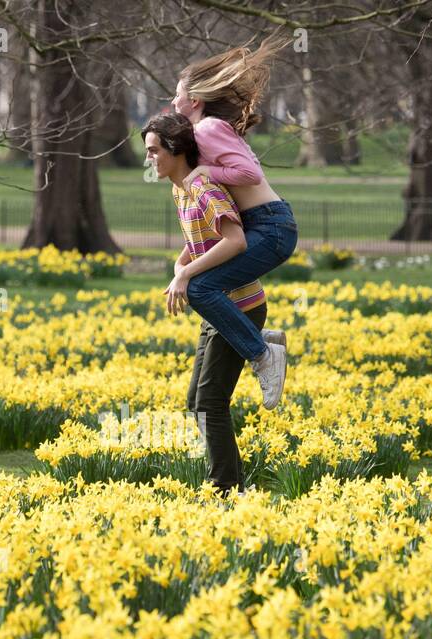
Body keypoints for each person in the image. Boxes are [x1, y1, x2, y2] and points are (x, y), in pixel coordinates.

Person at [143, 112, 284, 497]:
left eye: (155, 151)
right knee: (197, 401)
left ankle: (225, 489)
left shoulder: (203, 186)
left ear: (176, 149)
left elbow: (235, 240)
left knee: (209, 402)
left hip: (238, 305)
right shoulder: (179, 189)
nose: (150, 159)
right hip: (217, 308)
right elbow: (200, 242)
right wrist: (181, 265)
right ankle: (227, 482)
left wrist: (186, 277)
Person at [161, 37, 299, 389]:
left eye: (177, 95)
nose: (172, 101)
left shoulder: (207, 128)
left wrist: (206, 173)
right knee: (202, 285)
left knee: (201, 287)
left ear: (194, 101)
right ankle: (258, 339)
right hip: (264, 224)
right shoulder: (204, 131)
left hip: (271, 228)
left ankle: (262, 355)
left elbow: (250, 174)